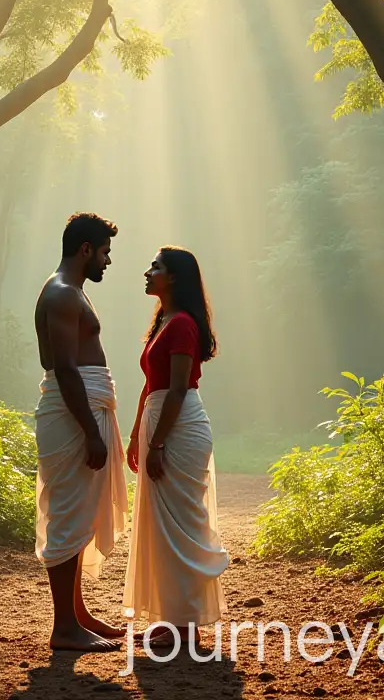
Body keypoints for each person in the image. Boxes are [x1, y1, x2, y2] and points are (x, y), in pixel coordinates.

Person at [123, 246, 229, 646]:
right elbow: (152, 384)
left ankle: (184, 624)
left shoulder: (182, 323)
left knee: (181, 523)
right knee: (161, 525)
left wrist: (159, 441)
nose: (148, 272)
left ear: (175, 278)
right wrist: (137, 435)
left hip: (179, 428)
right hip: (159, 420)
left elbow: (179, 388)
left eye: (156, 267)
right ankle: (170, 617)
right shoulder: (163, 321)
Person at [32, 212, 128, 652]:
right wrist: (90, 431)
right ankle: (64, 628)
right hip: (73, 414)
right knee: (69, 513)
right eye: (105, 252)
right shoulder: (62, 294)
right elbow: (64, 369)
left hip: (82, 408)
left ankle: (78, 615)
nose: (108, 261)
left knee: (79, 512)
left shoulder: (71, 292)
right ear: (86, 249)